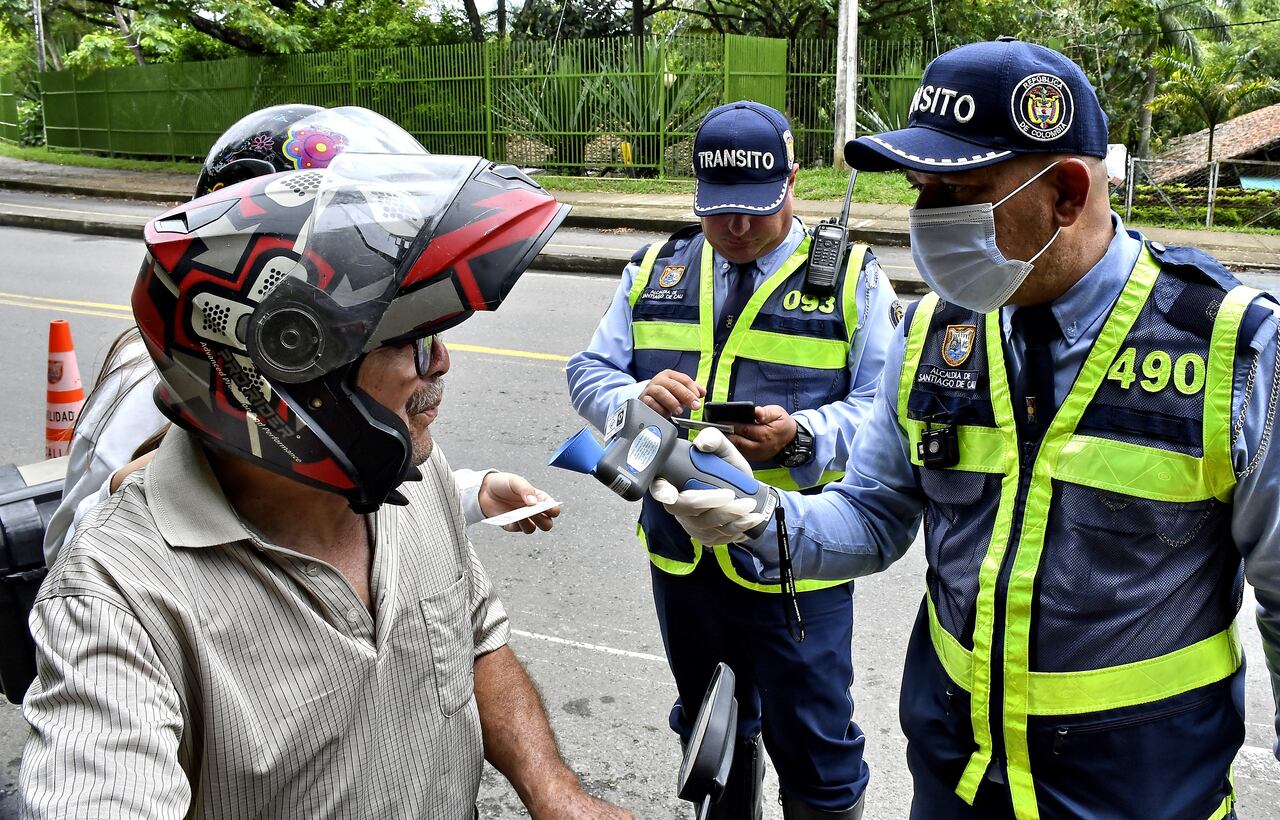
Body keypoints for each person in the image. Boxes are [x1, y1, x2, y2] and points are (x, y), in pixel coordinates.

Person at [651, 39, 1280, 819]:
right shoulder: (931, 337)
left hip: (1143, 792)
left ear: (1069, 195)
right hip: (957, 778)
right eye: (920, 192)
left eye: (959, 195)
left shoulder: (1233, 349)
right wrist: (762, 517)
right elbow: (875, 510)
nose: (927, 223)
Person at [20, 151, 630, 819]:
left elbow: (477, 637)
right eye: (414, 341)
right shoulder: (115, 596)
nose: (443, 361)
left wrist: (555, 791)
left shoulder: (407, 474)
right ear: (300, 374)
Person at [567, 100, 898, 819]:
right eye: (720, 211)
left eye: (756, 208)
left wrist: (801, 436)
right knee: (709, 729)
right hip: (683, 559)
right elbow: (587, 372)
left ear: (792, 181)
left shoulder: (853, 279)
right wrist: (636, 400)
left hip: (794, 559)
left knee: (815, 745)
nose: (737, 228)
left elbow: (884, 410)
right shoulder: (656, 268)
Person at [43, 104, 559, 565]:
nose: (436, 359)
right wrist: (159, 483)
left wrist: (473, 493)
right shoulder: (167, 381)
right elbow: (71, 553)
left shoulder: (347, 400)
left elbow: (345, 481)